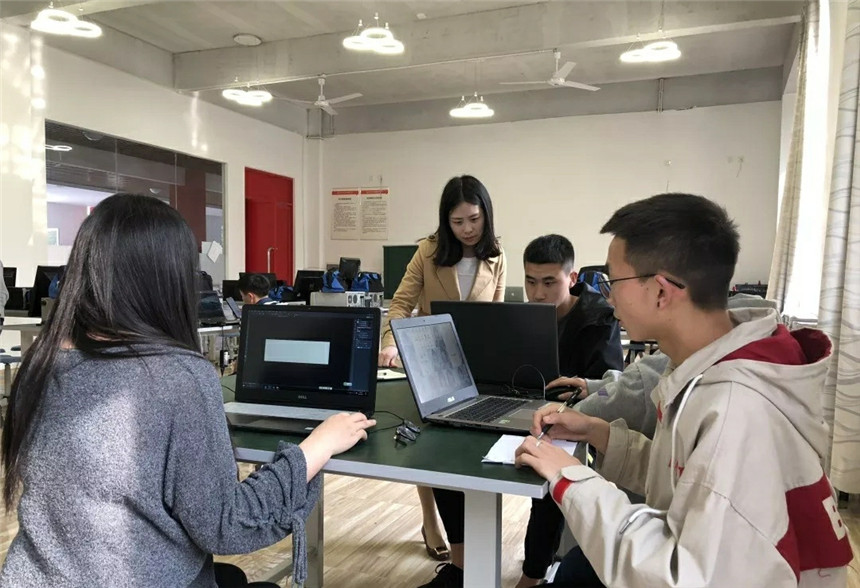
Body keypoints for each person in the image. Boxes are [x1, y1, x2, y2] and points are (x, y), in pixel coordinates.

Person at [0, 194, 376, 587]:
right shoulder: (180, 377)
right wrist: (318, 445)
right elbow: (229, 525)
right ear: (171, 280)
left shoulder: (40, 363)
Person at [515, 193, 853, 587]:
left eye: (613, 281)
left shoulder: (737, 410)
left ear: (661, 291)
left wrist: (571, 479)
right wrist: (598, 432)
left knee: (576, 573)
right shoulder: (709, 366)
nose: (608, 296)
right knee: (577, 569)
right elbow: (688, 479)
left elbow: (680, 578)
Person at [379, 174, 506, 563]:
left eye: (474, 219)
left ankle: (470, 527)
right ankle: (430, 518)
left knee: (468, 445)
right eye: (457, 221)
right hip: (431, 360)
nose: (467, 229)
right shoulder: (428, 251)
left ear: (486, 215)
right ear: (445, 220)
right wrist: (390, 342)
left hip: (474, 362)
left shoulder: (497, 255)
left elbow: (497, 315)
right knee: (429, 441)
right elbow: (401, 303)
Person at [512, 234, 623, 588]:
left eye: (549, 282)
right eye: (530, 281)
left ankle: (532, 575)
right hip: (531, 408)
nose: (537, 293)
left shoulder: (599, 318)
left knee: (547, 479)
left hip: (581, 419)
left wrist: (569, 404)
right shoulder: (525, 316)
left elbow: (610, 387)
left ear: (572, 278)